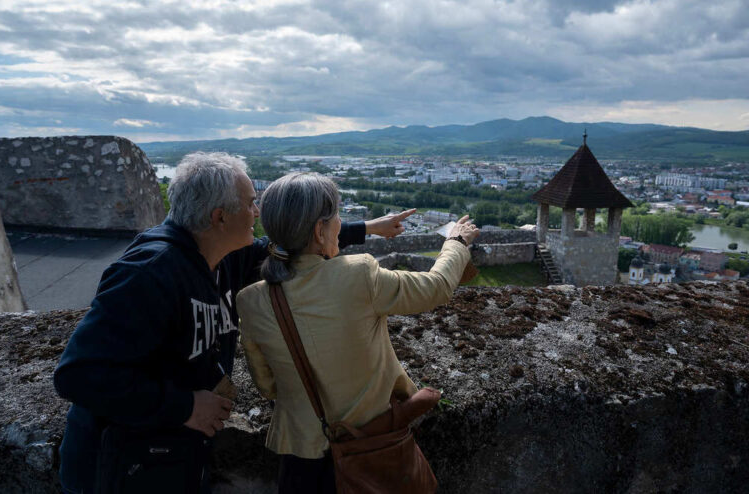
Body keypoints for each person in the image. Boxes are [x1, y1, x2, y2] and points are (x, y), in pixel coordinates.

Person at [53, 152, 415, 493]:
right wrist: (186, 406)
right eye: (250, 203)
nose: (257, 212)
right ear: (219, 217)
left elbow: (292, 244)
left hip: (164, 457)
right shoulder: (150, 273)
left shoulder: (223, 256)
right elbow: (78, 374)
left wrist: (367, 228)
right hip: (114, 470)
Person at [234, 172, 479, 492]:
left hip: (301, 459)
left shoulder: (251, 301)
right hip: (371, 448)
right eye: (337, 215)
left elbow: (267, 386)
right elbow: (436, 288)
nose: (340, 223)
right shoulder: (358, 275)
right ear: (320, 231)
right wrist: (456, 243)